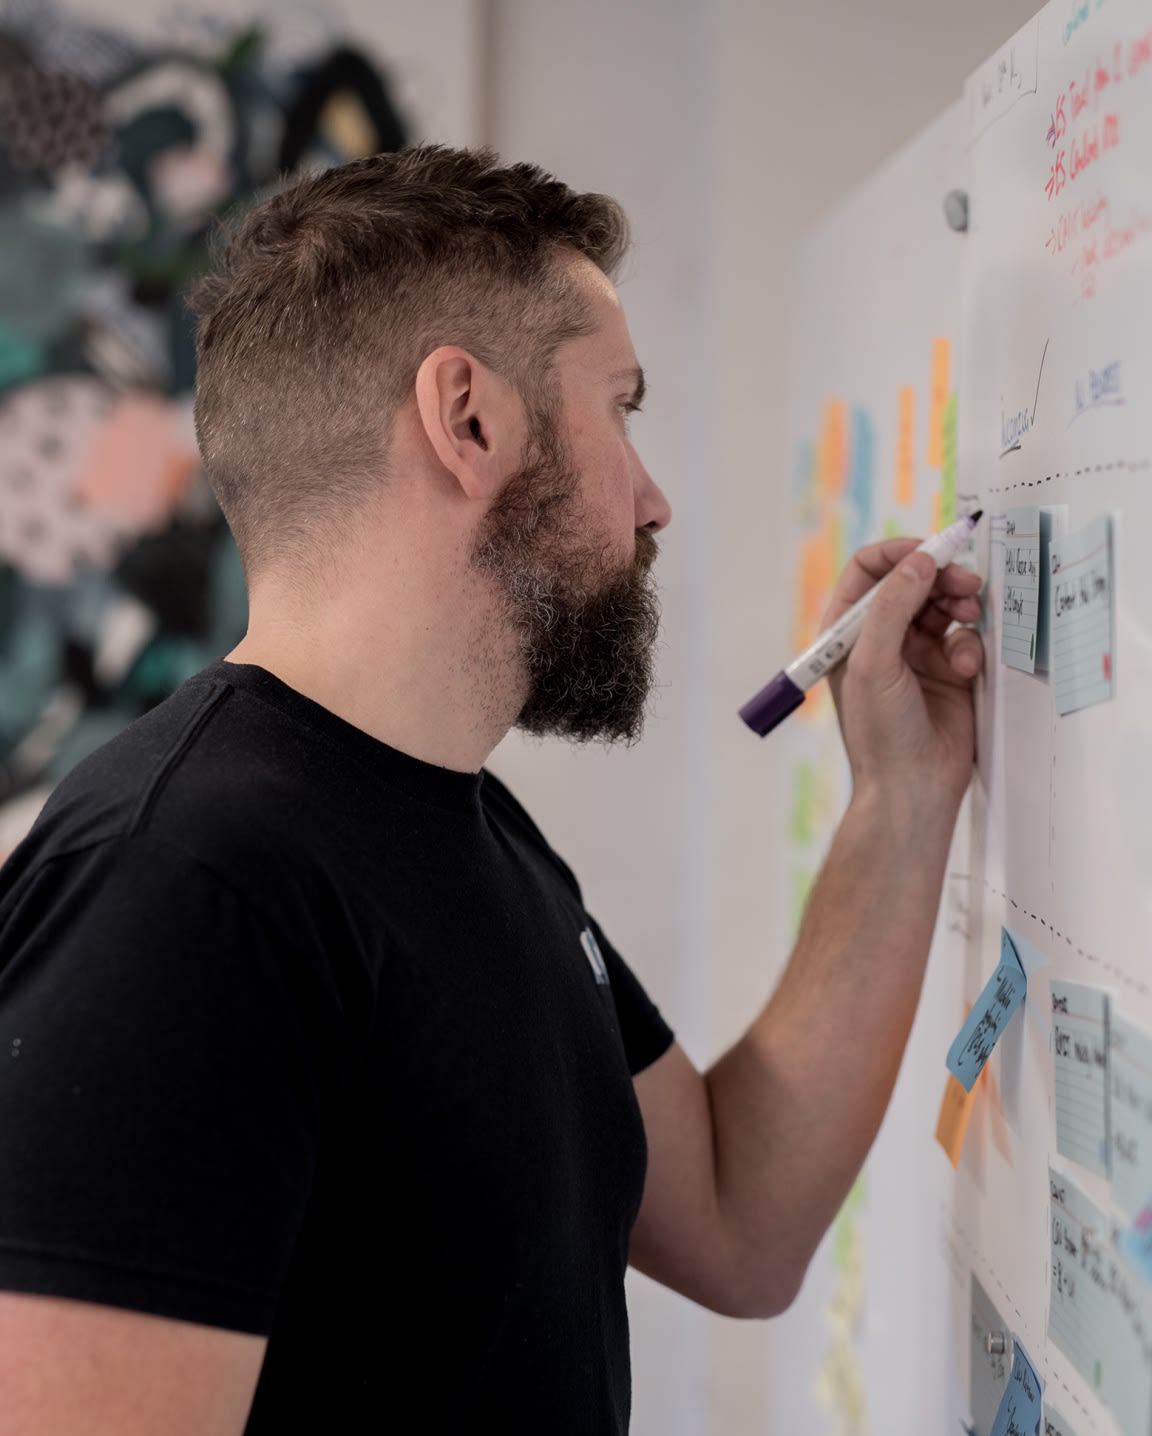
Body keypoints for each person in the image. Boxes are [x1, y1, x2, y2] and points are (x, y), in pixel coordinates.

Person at [0, 146, 984, 1434]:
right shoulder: (187, 887)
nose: (653, 501)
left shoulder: (464, 820)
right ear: (468, 420)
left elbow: (739, 1218)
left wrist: (902, 796)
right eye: (620, 409)